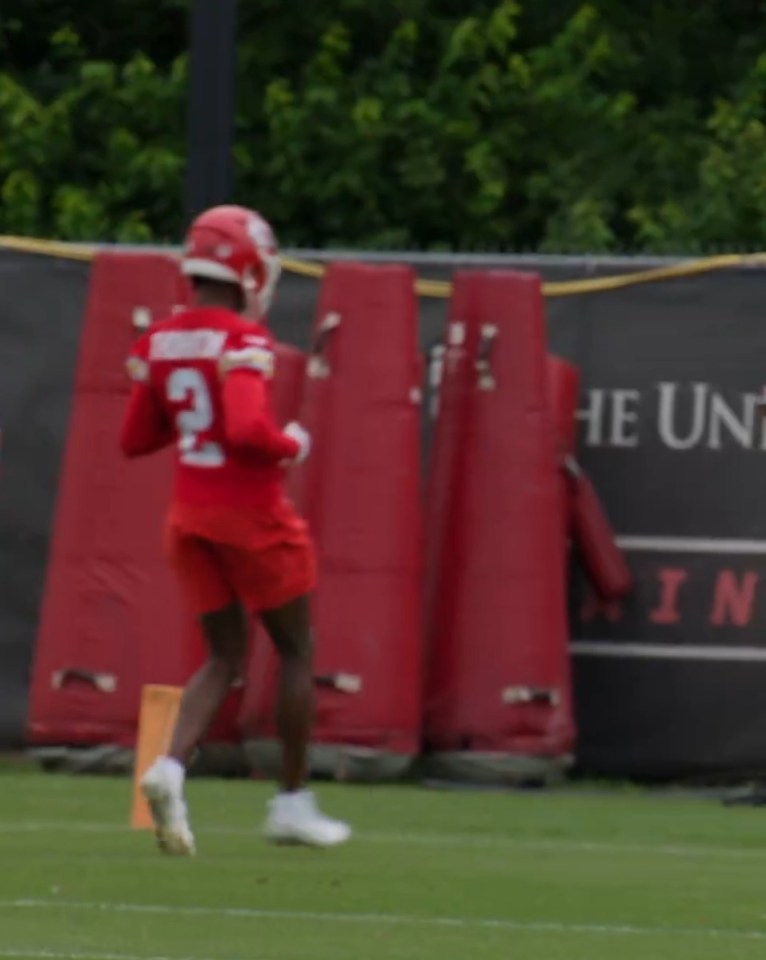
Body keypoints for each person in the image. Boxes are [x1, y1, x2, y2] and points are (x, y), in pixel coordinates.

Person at [119, 204, 351, 854]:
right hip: (250, 515)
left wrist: (186, 414)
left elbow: (135, 438)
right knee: (296, 649)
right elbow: (249, 430)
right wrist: (291, 444)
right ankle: (292, 802)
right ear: (249, 270)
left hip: (188, 517)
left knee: (224, 655)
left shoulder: (160, 340)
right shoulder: (242, 340)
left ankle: (168, 768)